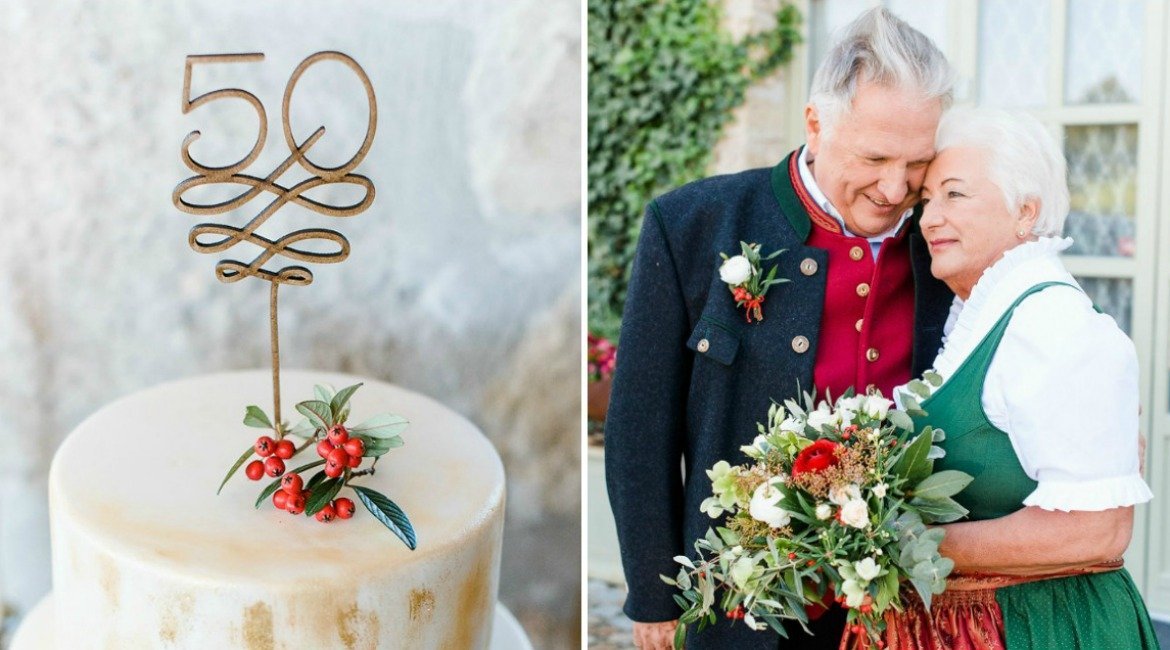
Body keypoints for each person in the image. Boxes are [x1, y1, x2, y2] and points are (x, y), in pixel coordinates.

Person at [604, 8, 956, 649]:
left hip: (902, 609)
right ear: (816, 125)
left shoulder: (947, 242)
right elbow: (640, 427)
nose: (895, 187)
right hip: (740, 609)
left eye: (917, 164)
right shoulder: (691, 224)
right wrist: (654, 598)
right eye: (875, 157)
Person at [841, 108, 1158, 649]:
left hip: (1041, 628)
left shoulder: (1053, 325)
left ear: (1025, 212)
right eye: (927, 201)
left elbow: (1097, 531)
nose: (929, 219)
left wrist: (891, 543)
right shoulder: (980, 314)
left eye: (955, 196)